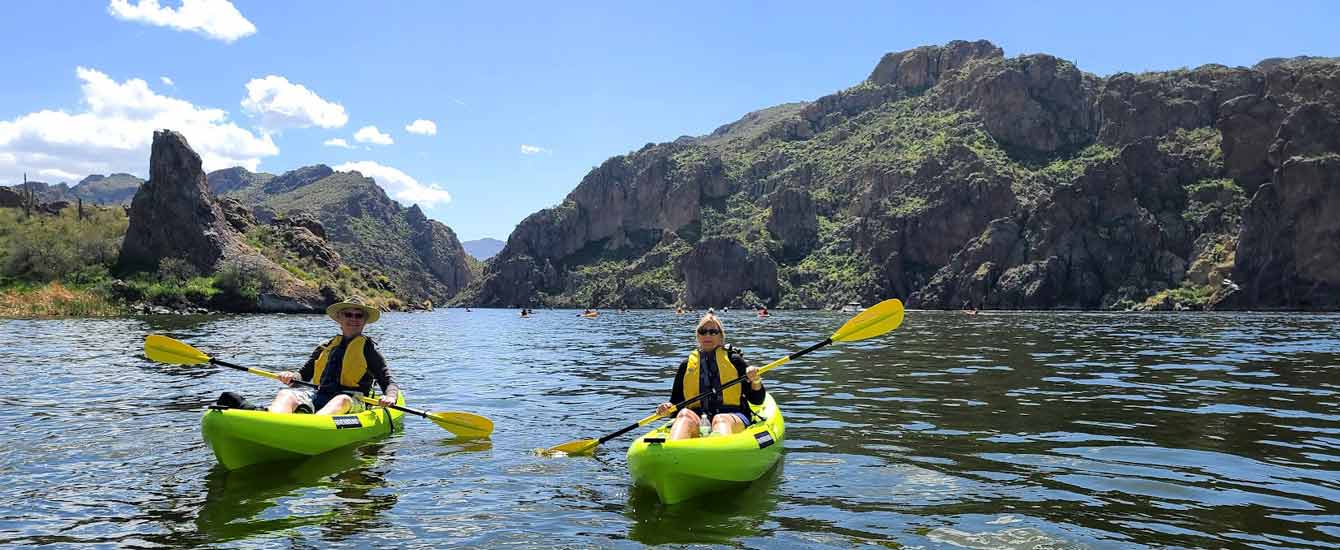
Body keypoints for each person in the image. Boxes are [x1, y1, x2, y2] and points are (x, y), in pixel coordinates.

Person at [269, 297, 400, 415]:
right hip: (319, 394)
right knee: (285, 394)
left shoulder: (369, 350)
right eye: (348, 314)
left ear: (364, 321)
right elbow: (303, 375)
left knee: (340, 400)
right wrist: (291, 377)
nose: (353, 319)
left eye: (359, 316)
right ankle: (272, 421)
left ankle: (314, 425)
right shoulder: (325, 346)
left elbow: (388, 382)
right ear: (339, 318)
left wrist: (390, 397)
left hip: (352, 400)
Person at [655, 313, 765, 440]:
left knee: (720, 419)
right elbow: (675, 404)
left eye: (713, 332)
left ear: (721, 336)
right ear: (698, 336)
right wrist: (667, 407)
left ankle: (719, 449)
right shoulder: (686, 365)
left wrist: (755, 380)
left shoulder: (734, 360)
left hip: (732, 415)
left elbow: (757, 400)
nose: (707, 335)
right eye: (703, 331)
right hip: (698, 417)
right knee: (684, 415)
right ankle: (672, 452)